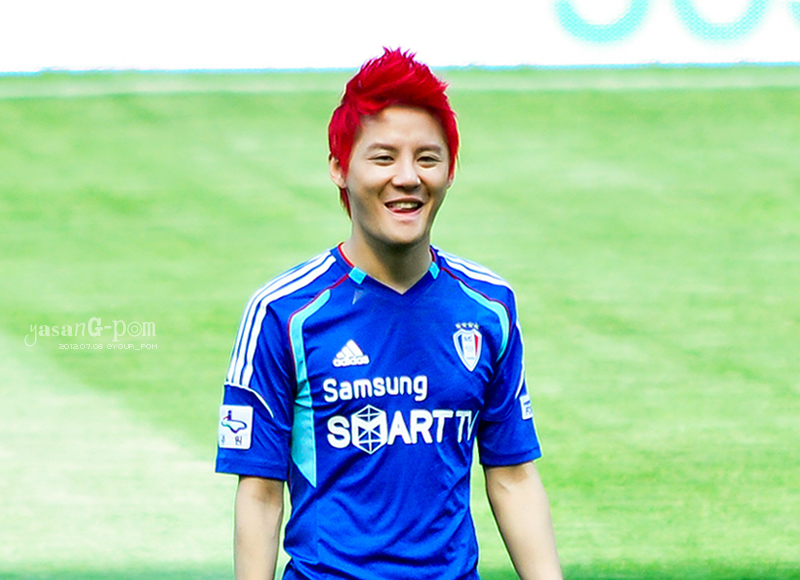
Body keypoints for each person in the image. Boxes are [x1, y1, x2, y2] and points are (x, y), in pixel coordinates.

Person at [215, 48, 562, 580]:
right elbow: (260, 495)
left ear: (450, 171)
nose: (407, 178)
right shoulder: (284, 313)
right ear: (339, 168)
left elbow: (513, 476)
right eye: (383, 158)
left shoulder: (489, 306)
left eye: (427, 158)